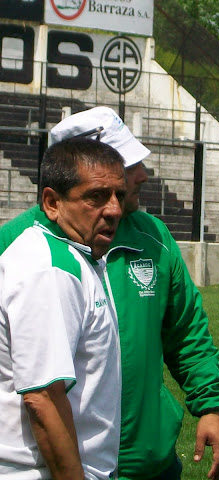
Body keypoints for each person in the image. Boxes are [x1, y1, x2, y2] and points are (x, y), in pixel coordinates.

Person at [0, 107, 219, 480]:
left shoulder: (153, 237)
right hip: (58, 467)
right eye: (126, 164)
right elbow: (39, 393)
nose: (141, 175)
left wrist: (210, 405)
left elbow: (186, 329)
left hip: (150, 464)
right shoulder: (19, 248)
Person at [0, 138, 126, 479]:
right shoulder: (49, 269)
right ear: (52, 203)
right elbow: (43, 398)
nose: (114, 209)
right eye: (97, 196)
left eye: (119, 195)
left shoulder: (72, 256)